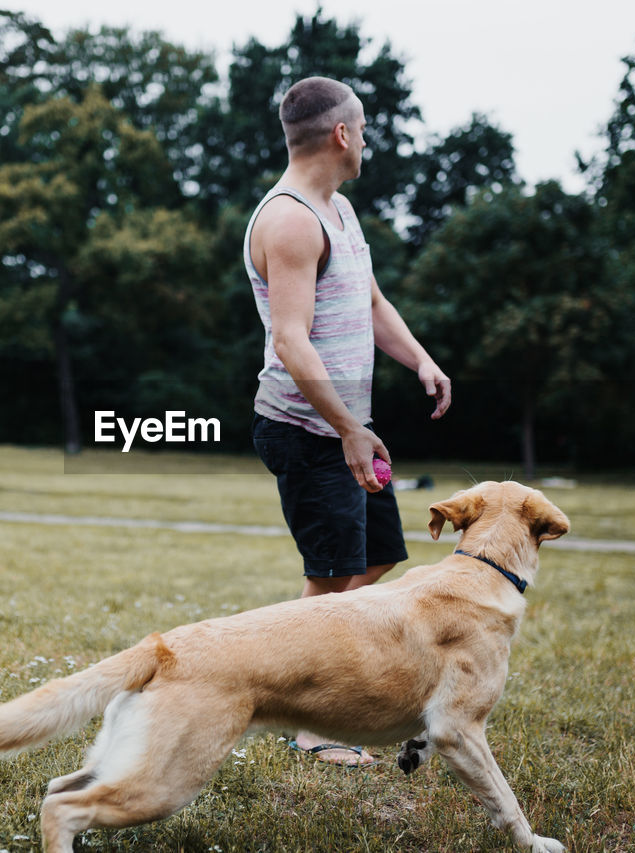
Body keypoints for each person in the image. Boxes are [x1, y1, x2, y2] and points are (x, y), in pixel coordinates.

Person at [246, 76, 452, 764]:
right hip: (309, 429)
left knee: (376, 555)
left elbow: (369, 302)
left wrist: (419, 359)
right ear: (341, 135)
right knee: (333, 578)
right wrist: (347, 428)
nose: (366, 141)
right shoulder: (289, 220)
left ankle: (309, 669)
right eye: (362, 129)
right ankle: (311, 722)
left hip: (345, 426)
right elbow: (291, 340)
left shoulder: (340, 211)